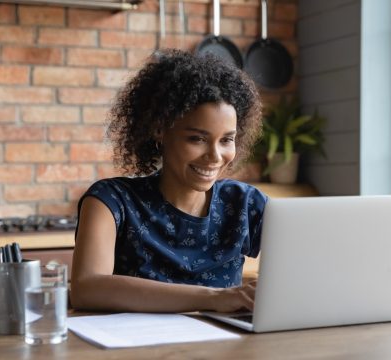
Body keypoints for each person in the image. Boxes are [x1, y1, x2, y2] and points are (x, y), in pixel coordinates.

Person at [71, 49, 268, 313]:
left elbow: (310, 267)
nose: (215, 156)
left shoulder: (245, 203)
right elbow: (87, 288)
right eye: (197, 139)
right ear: (160, 131)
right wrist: (214, 297)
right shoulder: (111, 201)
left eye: (226, 140)